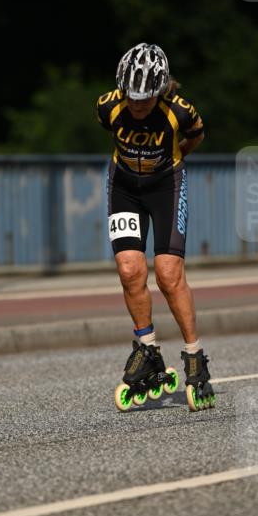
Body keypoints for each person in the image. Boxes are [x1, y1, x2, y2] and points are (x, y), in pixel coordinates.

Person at [96, 42, 216, 411]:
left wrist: (169, 163)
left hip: (167, 186)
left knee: (167, 273)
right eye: (131, 98)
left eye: (144, 100)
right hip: (125, 187)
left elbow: (196, 136)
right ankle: (146, 347)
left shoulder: (180, 112)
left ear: (160, 90)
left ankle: (194, 353)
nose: (136, 105)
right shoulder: (106, 107)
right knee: (130, 270)